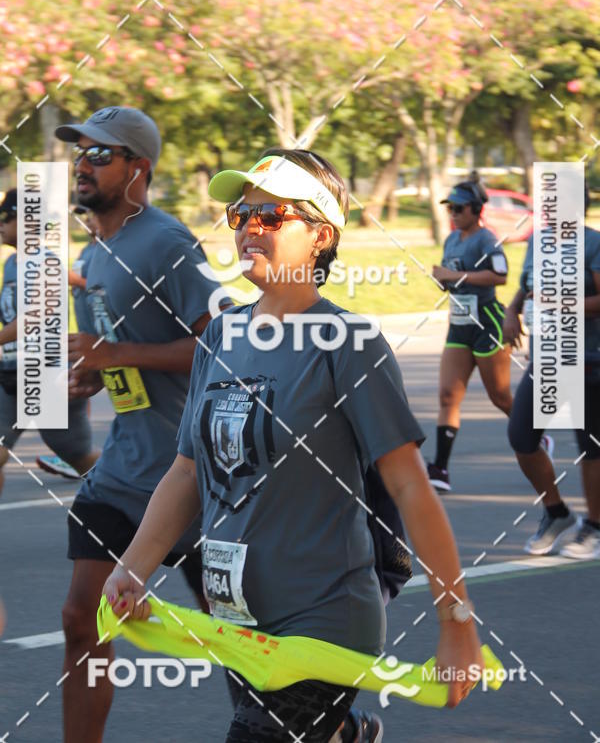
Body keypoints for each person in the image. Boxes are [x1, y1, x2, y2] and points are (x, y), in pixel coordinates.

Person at [103, 149, 485, 743]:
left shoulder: (347, 341)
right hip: (234, 616)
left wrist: (456, 619)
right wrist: (133, 567)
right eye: (241, 214)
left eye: (273, 214)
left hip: (322, 617)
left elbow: (410, 486)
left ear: (320, 236)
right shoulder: (222, 334)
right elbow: (185, 473)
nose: (251, 228)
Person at [53, 106, 226, 743]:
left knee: (235, 638)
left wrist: (118, 355)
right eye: (80, 153)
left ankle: (326, 726)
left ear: (138, 169)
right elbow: (123, 348)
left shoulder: (167, 241)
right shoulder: (95, 253)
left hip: (190, 477)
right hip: (123, 471)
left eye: (100, 155)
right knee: (82, 619)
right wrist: (98, 373)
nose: (82, 165)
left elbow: (222, 342)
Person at [504, 195, 600, 559]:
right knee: (521, 436)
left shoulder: (594, 243)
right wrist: (512, 311)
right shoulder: (537, 242)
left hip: (589, 356)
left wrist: (558, 302)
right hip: (547, 356)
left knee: (590, 444)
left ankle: (594, 527)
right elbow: (526, 287)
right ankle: (557, 513)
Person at [0, 189, 99, 496]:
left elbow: (35, 315)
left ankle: (139, 497)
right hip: (11, 375)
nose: (0, 222)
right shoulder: (12, 263)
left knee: (77, 455)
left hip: (47, 373)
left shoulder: (43, 260)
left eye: (6, 216)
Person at [427, 177, 511, 493]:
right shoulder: (452, 239)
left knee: (500, 396)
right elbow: (455, 278)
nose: (454, 214)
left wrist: (454, 275)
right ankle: (441, 470)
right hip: (459, 324)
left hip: (487, 323)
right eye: (450, 208)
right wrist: (443, 280)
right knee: (448, 395)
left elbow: (500, 276)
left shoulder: (487, 240)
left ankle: (534, 435)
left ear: (476, 210)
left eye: (459, 208)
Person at [36, 207, 102, 480]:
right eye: (83, 215)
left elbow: (105, 287)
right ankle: (77, 451)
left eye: (91, 214)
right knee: (77, 385)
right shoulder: (88, 250)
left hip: (110, 342)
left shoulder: (113, 250)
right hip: (87, 338)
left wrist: (75, 280)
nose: (87, 219)